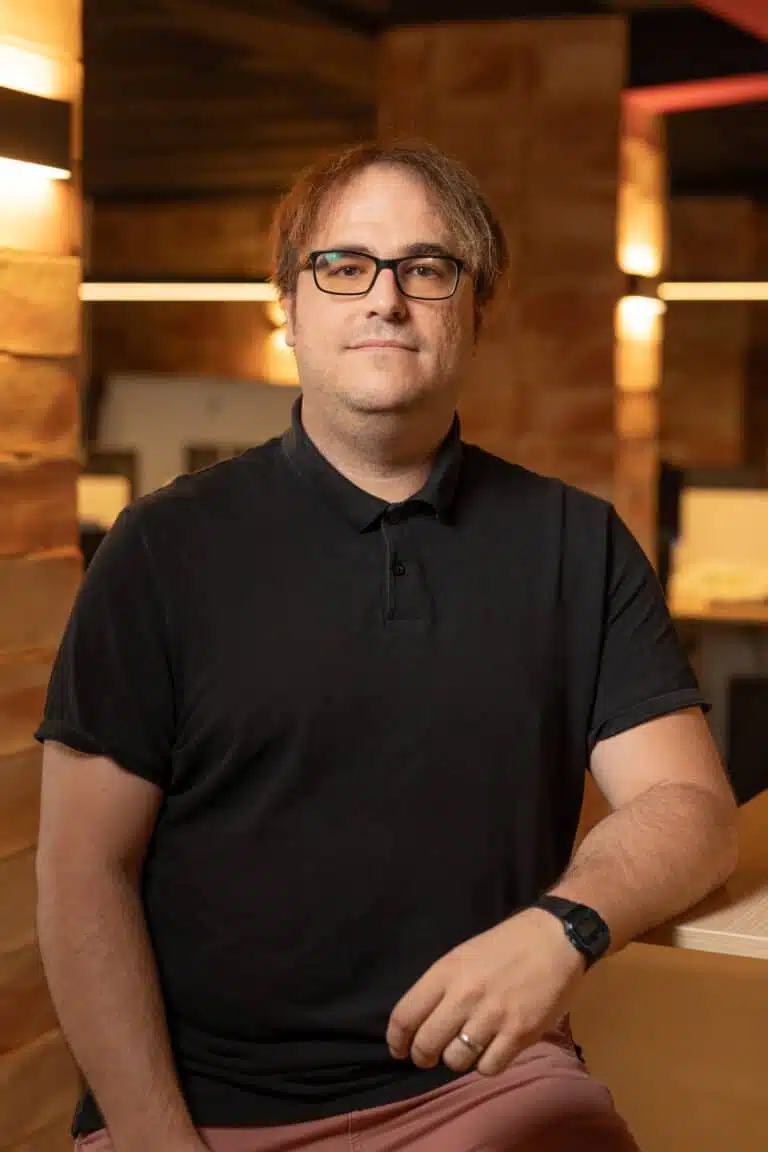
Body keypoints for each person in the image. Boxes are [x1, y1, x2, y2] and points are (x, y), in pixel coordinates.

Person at [35, 142, 738, 1152]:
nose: (385, 298)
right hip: (200, 1109)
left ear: (476, 309)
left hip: (484, 1088)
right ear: (289, 305)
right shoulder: (160, 549)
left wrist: (566, 925)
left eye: (427, 267)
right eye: (344, 265)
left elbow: (690, 808)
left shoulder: (574, 543)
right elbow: (81, 873)